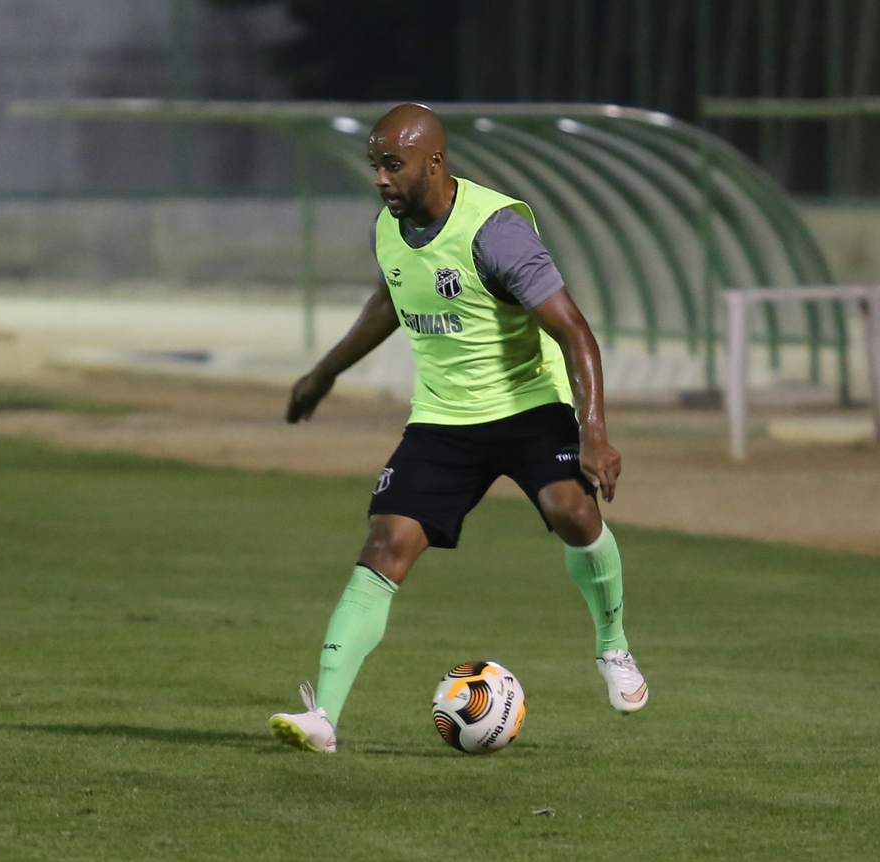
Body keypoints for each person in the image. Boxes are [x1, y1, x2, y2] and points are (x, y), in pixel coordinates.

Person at [268, 103, 647, 754]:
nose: (381, 179)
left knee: (572, 513)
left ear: (433, 163)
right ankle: (322, 717)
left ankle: (611, 645)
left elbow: (572, 330)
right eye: (374, 166)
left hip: (528, 405)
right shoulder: (387, 231)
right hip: (443, 420)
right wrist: (324, 373)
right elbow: (391, 297)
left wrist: (593, 431)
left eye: (393, 165)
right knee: (384, 546)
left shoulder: (494, 232)